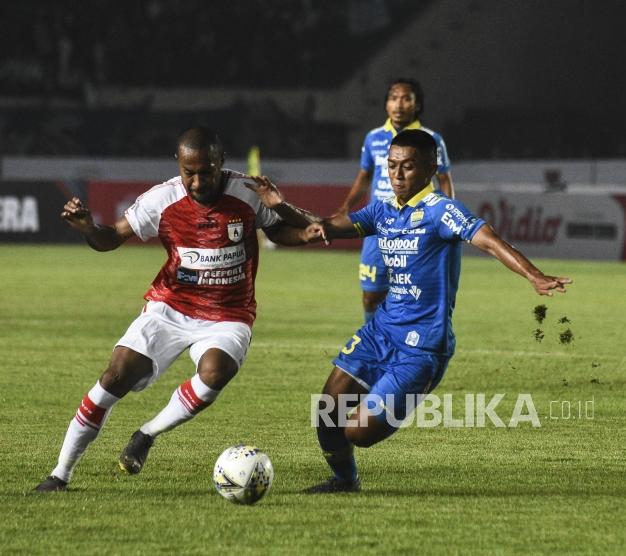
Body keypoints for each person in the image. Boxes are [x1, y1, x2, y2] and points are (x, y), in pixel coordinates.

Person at [35, 127, 318, 492]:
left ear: (221, 164)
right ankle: (60, 474)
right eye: (190, 172)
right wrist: (89, 227)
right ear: (178, 166)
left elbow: (281, 230)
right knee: (114, 377)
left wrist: (292, 221)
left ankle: (147, 434)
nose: (198, 181)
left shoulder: (247, 192)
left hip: (229, 313)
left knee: (216, 372)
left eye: (207, 171)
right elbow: (111, 239)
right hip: (171, 306)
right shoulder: (161, 200)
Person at [302, 129, 571, 493]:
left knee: (357, 433)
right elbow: (327, 227)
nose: (396, 175)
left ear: (430, 169)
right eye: (392, 166)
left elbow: (489, 241)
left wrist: (534, 275)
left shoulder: (442, 211)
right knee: (327, 412)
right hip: (381, 331)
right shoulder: (383, 209)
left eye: (407, 167)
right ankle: (345, 481)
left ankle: (396, 403)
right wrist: (277, 207)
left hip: (422, 345)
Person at [334, 78, 453, 322]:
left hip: (416, 226)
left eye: (406, 98)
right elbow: (364, 176)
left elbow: (445, 179)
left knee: (413, 294)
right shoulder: (373, 138)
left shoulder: (431, 139)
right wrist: (345, 207)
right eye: (394, 98)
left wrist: (448, 215)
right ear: (386, 104)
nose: (399, 104)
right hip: (380, 225)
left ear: (417, 105)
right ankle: (375, 344)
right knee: (370, 295)